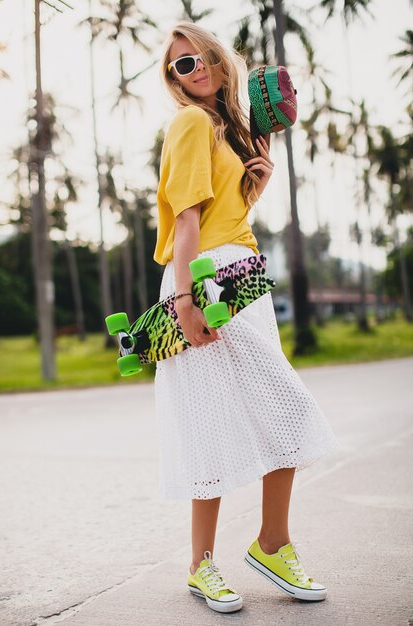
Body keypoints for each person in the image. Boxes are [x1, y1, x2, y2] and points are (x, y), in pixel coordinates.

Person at [153, 21, 340, 614]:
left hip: (245, 277)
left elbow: (221, 217)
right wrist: (184, 301)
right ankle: (203, 565)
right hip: (204, 280)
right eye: (182, 65)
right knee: (221, 423)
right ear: (173, 79)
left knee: (277, 411)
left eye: (204, 57)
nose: (197, 68)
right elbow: (186, 222)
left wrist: (251, 189)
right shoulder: (189, 122)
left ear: (220, 60)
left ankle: (270, 543)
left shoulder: (228, 133)